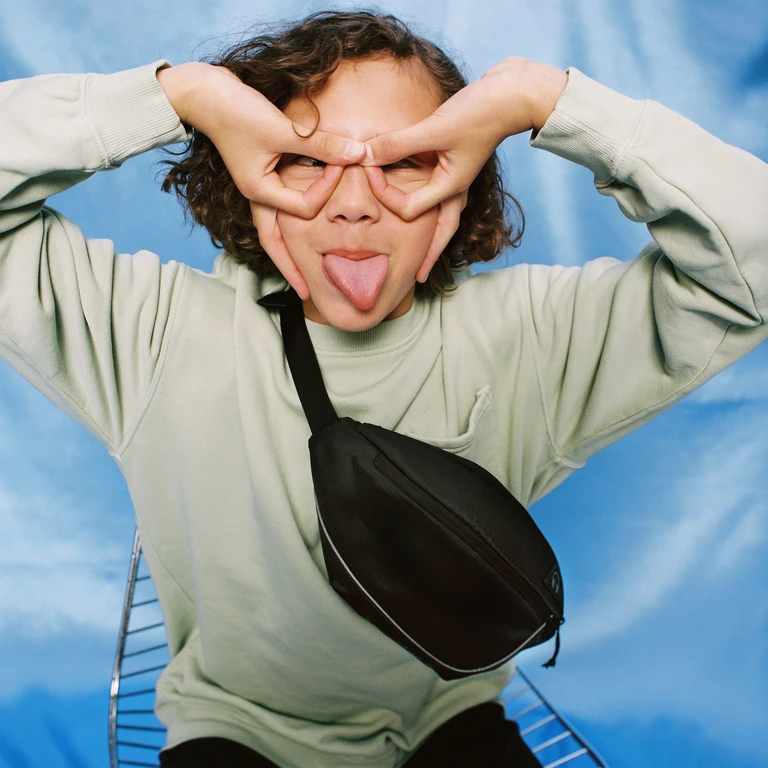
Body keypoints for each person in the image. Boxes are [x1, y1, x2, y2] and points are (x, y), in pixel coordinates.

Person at [0, 8, 765, 768]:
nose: (356, 202)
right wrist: (181, 95)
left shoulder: (529, 338)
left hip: (446, 719)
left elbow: (752, 270)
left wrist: (545, 100)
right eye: (306, 159)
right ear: (249, 172)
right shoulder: (157, 334)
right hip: (234, 730)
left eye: (403, 162)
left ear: (458, 184)